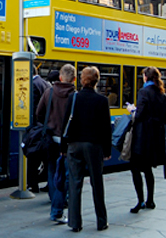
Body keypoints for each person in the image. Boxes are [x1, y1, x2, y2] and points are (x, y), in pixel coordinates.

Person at [62, 66, 112, 232]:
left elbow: (65, 124)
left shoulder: (73, 98)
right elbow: (106, 128)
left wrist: (63, 147)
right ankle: (101, 221)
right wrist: (107, 151)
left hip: (74, 145)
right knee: (97, 183)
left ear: (82, 80)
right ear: (96, 81)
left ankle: (75, 223)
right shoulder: (102, 101)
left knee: (75, 183)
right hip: (93, 146)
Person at [36, 64, 76, 223]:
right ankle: (58, 208)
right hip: (68, 141)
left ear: (60, 77)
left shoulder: (49, 92)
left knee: (52, 171)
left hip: (50, 139)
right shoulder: (75, 95)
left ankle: (55, 202)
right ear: (73, 79)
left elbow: (39, 114)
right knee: (66, 175)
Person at [127, 66, 166, 214]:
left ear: (146, 77)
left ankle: (140, 201)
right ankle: (150, 199)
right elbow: (165, 119)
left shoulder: (143, 92)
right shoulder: (163, 95)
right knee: (148, 169)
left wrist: (132, 110)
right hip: (155, 139)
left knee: (135, 168)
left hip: (142, 137)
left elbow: (139, 116)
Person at [28, 66, 52, 193]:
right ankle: (49, 183)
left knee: (33, 157)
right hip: (45, 127)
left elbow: (34, 108)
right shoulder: (44, 83)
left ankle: (33, 184)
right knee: (45, 157)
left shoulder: (32, 84)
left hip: (36, 127)